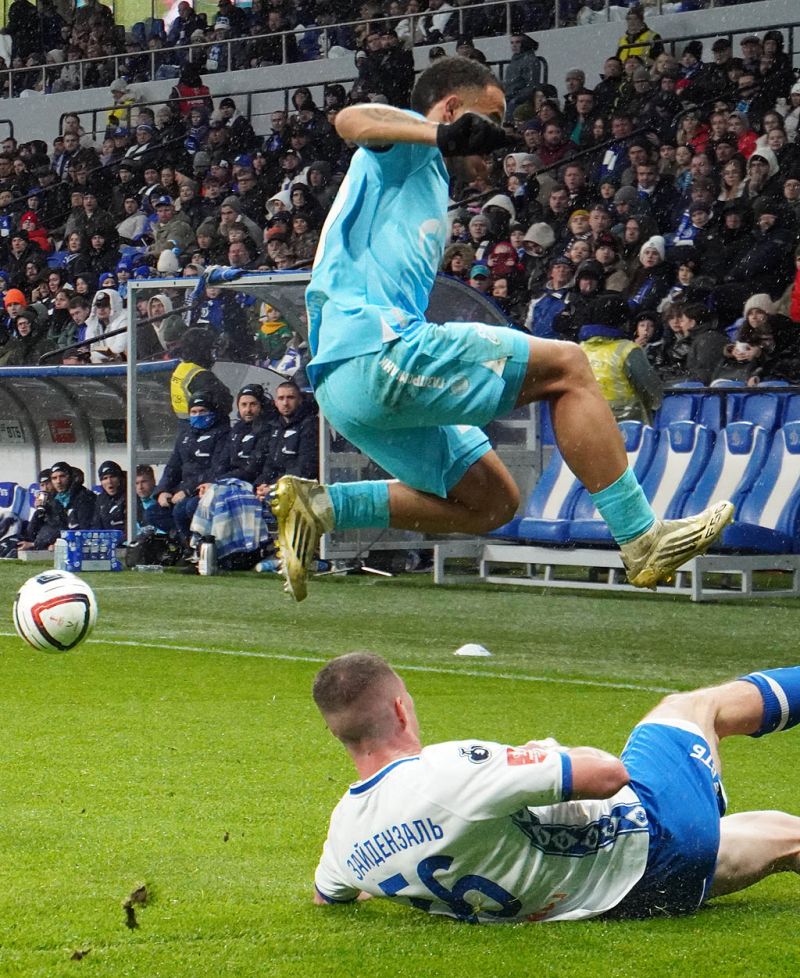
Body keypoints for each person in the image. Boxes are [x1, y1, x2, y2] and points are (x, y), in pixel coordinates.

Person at [214, 58, 733, 601]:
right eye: (491, 123)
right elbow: (350, 120)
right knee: (570, 367)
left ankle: (321, 506)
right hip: (377, 352)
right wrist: (440, 133)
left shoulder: (428, 177)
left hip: (348, 381)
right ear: (454, 110)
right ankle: (640, 536)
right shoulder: (410, 153)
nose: (498, 144)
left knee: (491, 503)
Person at [312, 651, 800, 922]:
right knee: (689, 708)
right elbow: (609, 775)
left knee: (785, 834)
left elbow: (328, 896)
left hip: (638, 897)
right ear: (401, 708)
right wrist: (546, 753)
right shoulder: (448, 770)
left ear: (336, 734)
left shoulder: (344, 837)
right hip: (654, 834)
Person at [94, 459, 126, 532]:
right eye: (105, 478)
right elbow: (96, 526)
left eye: (112, 476)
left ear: (120, 478)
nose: (109, 481)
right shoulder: (101, 499)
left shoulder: (130, 497)